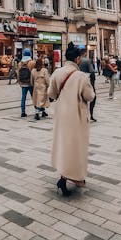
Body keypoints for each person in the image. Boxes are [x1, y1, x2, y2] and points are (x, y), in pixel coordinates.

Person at [49, 42, 95, 197]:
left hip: (61, 115)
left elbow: (52, 94)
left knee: (64, 145)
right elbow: (89, 96)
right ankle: (74, 177)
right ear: (76, 59)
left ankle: (66, 175)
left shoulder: (56, 73)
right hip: (76, 116)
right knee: (76, 148)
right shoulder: (80, 76)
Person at [79, 49, 97, 122]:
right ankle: (91, 114)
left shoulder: (77, 61)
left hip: (78, 81)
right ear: (85, 53)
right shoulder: (87, 61)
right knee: (93, 97)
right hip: (87, 81)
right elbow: (92, 71)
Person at [18, 49, 34, 116]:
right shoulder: (32, 63)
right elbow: (34, 73)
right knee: (34, 97)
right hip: (30, 83)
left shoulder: (20, 63)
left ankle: (23, 112)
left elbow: (18, 74)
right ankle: (37, 109)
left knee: (23, 98)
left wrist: (19, 82)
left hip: (23, 83)